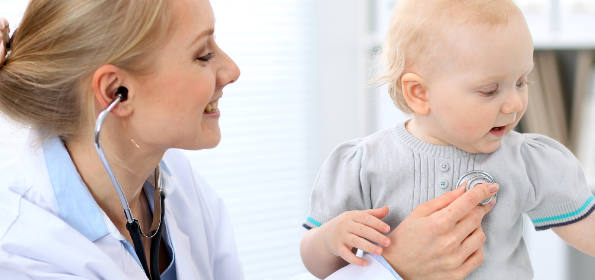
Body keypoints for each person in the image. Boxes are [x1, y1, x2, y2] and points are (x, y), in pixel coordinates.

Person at [0, 0, 496, 279]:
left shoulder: (174, 188)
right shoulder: (24, 254)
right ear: (116, 91)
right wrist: (392, 269)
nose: (231, 70)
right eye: (202, 55)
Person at [300, 0, 595, 279]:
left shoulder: (526, 160)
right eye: (489, 91)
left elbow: (589, 223)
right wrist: (330, 238)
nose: (515, 103)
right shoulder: (364, 164)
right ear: (420, 94)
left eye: (521, 81)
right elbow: (316, 264)